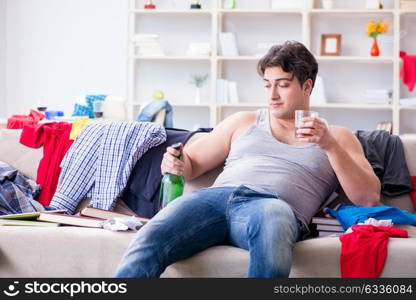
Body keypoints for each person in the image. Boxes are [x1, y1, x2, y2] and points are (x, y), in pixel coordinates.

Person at [115, 41, 381, 278]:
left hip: (272, 207)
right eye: (268, 85)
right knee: (150, 238)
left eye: (283, 85)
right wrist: (175, 163)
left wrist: (329, 146)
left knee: (273, 219)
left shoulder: (337, 136)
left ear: (307, 86)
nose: (272, 95)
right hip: (213, 200)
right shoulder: (243, 121)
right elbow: (191, 166)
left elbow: (367, 198)